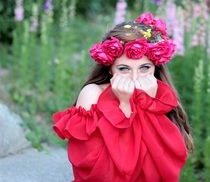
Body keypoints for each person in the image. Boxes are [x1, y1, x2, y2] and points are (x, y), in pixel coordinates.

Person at [52, 12, 194, 182]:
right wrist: (125, 107)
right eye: (124, 69)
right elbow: (101, 172)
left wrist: (148, 106)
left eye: (144, 68)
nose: (135, 79)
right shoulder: (92, 94)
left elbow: (166, 166)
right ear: (110, 68)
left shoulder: (157, 93)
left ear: (155, 68)